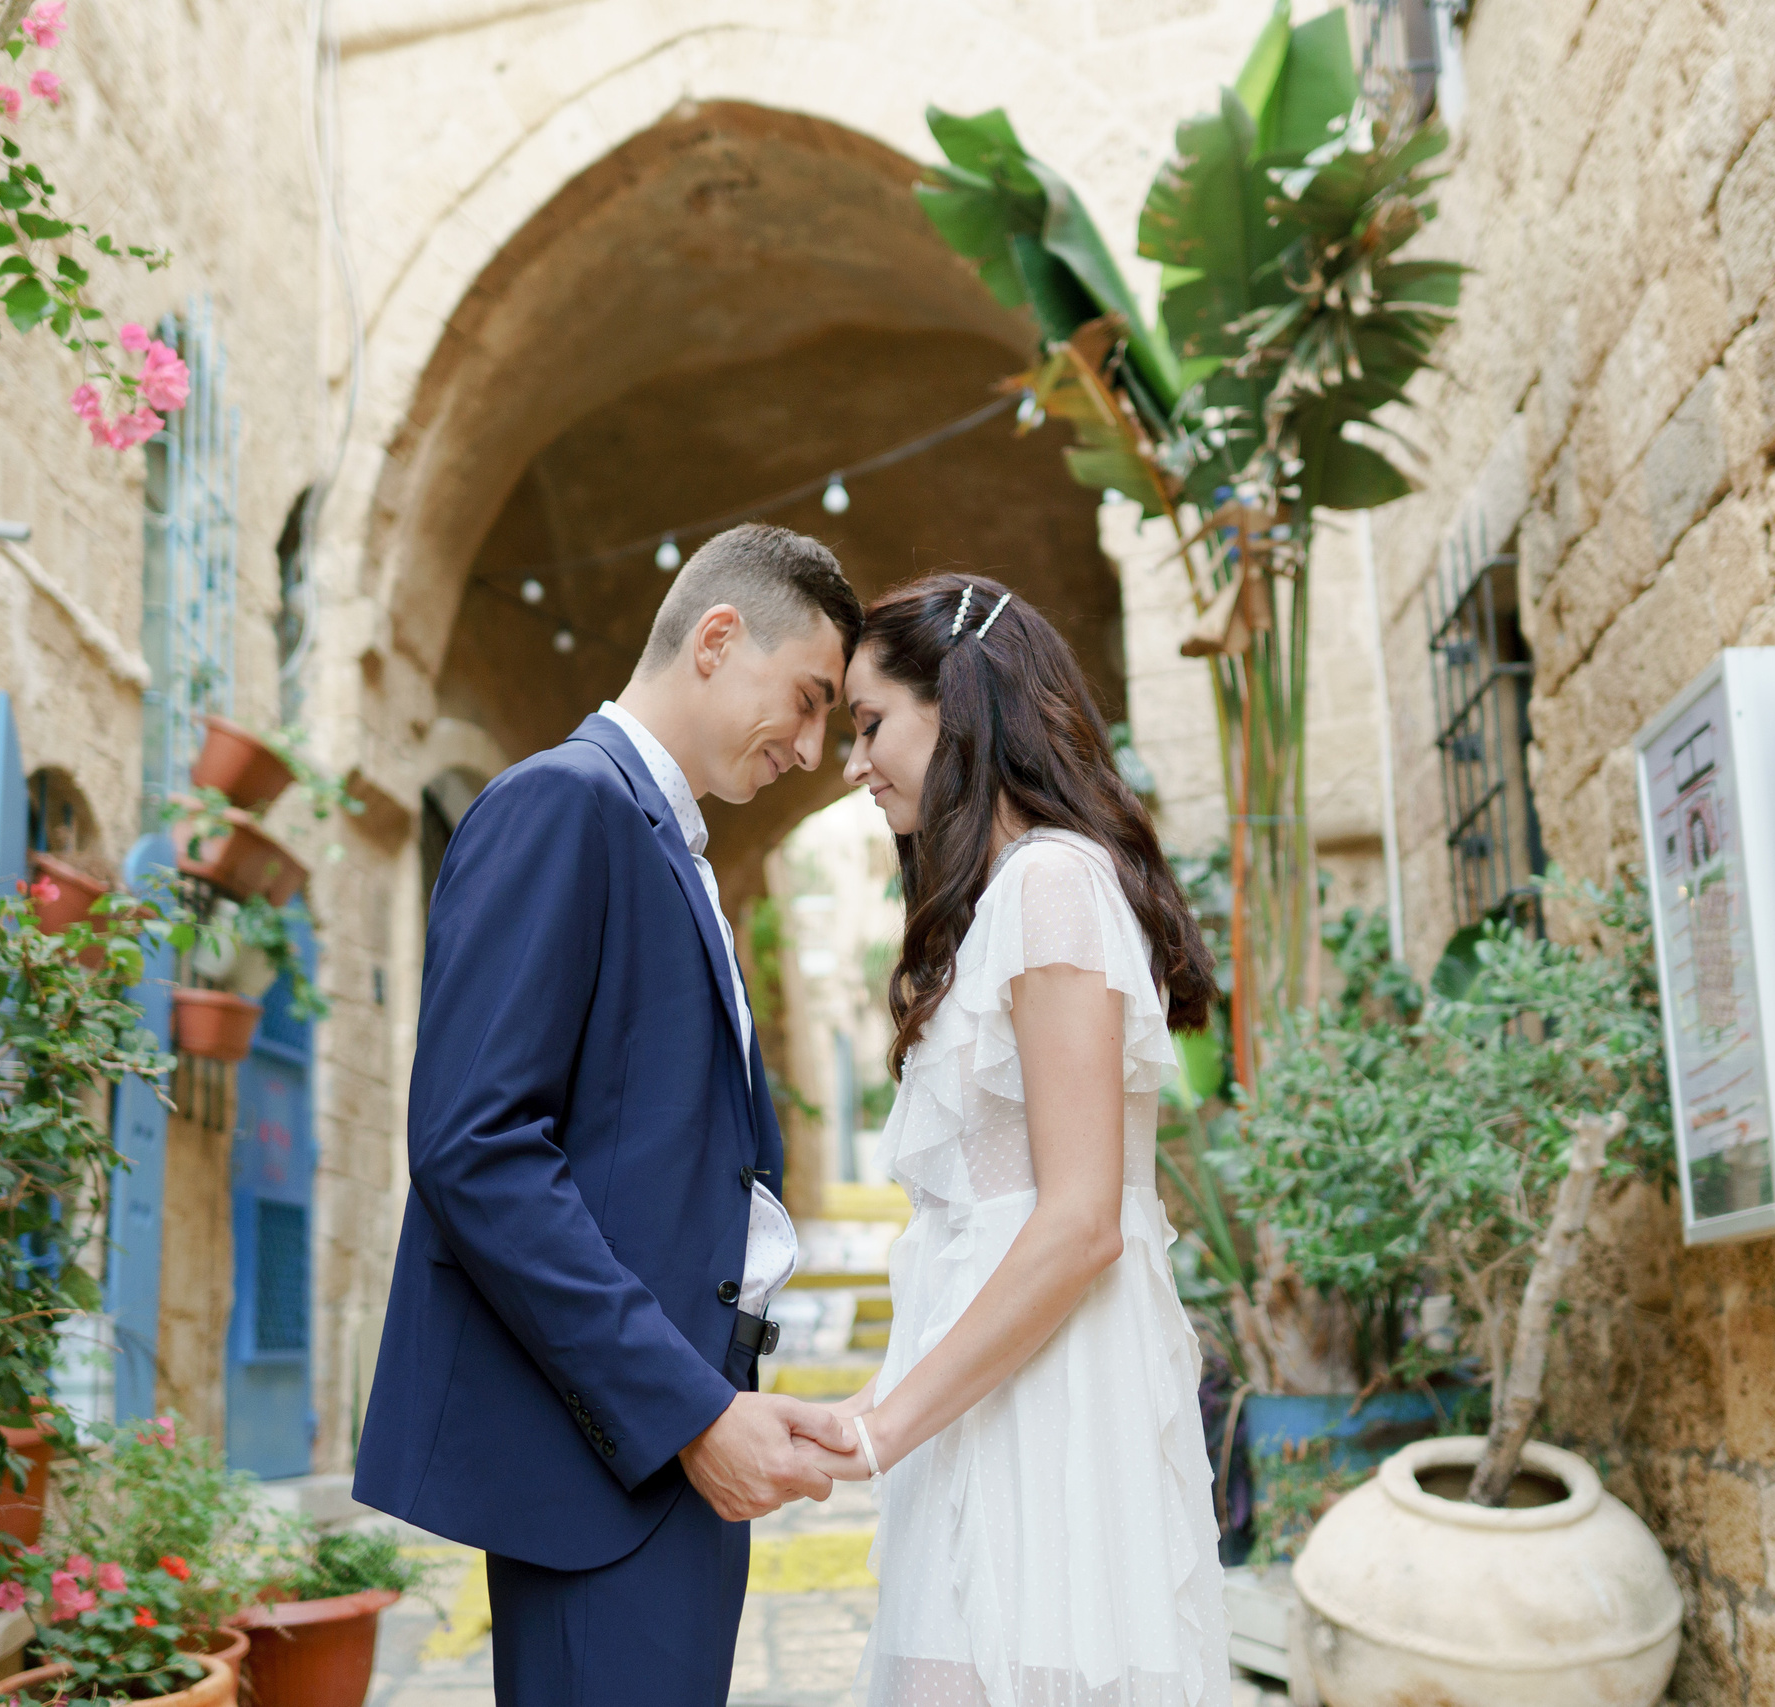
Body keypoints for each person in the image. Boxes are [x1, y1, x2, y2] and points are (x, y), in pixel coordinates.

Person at [352, 523, 865, 1707]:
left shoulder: (663, 841)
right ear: (717, 638)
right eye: (806, 698)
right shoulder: (562, 804)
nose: (810, 746)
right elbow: (475, 1151)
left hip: (670, 1451)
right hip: (614, 1461)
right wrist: (688, 1414)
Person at [818, 573, 1231, 1707]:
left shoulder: (1051, 886)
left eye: (870, 725)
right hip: (978, 1390)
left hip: (1052, 1406)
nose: (853, 763)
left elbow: (1081, 1218)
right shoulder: (996, 905)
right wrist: (889, 1414)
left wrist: (882, 1428)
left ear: (958, 704)